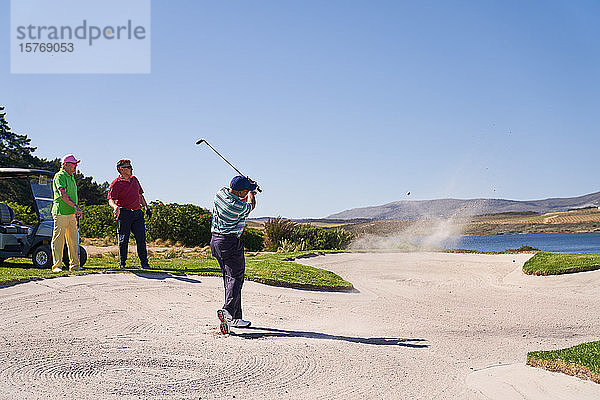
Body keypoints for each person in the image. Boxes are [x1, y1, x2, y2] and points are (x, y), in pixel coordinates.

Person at [211, 175, 257, 335]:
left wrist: (248, 186)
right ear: (241, 192)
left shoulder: (220, 194)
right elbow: (251, 205)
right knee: (236, 278)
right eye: (245, 191)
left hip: (215, 242)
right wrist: (252, 192)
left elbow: (239, 194)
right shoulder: (238, 207)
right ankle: (228, 312)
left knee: (229, 279)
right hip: (229, 243)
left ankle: (237, 317)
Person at [107, 159, 151, 269]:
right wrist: (115, 207)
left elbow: (140, 195)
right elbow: (110, 199)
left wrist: (146, 207)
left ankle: (144, 264)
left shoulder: (135, 180)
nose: (131, 169)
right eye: (128, 167)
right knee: (123, 239)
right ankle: (122, 263)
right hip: (124, 213)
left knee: (141, 239)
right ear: (121, 169)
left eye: (131, 166)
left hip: (137, 213)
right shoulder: (116, 183)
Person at [51, 154, 83, 273]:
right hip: (60, 212)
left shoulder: (72, 176)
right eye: (73, 164)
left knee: (73, 240)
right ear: (65, 165)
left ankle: (74, 266)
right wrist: (76, 207)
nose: (75, 166)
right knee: (59, 240)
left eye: (76, 164)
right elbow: (63, 195)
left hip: (71, 213)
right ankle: (57, 266)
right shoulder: (60, 176)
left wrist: (75, 209)